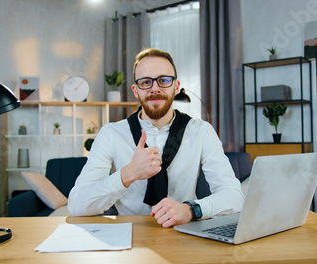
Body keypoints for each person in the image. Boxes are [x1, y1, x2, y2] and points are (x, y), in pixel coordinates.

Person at [68, 48, 244, 228]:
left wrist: (191, 210)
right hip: (129, 237)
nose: (155, 88)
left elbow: (234, 197)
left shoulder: (202, 131)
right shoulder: (110, 134)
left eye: (164, 80)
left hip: (186, 235)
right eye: (146, 82)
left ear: (176, 86)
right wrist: (129, 173)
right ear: (136, 91)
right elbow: (76, 205)